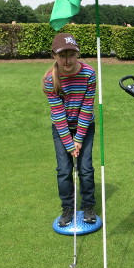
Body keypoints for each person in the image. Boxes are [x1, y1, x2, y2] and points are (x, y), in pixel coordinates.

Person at [42, 33, 97, 226]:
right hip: (61, 128)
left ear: (77, 54)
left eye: (71, 54)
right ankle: (67, 208)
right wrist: (68, 142)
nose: (67, 60)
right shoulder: (50, 79)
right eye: (62, 55)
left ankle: (89, 206)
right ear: (54, 56)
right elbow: (57, 113)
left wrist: (79, 139)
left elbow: (87, 107)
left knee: (85, 168)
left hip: (85, 126)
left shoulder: (89, 74)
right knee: (64, 170)